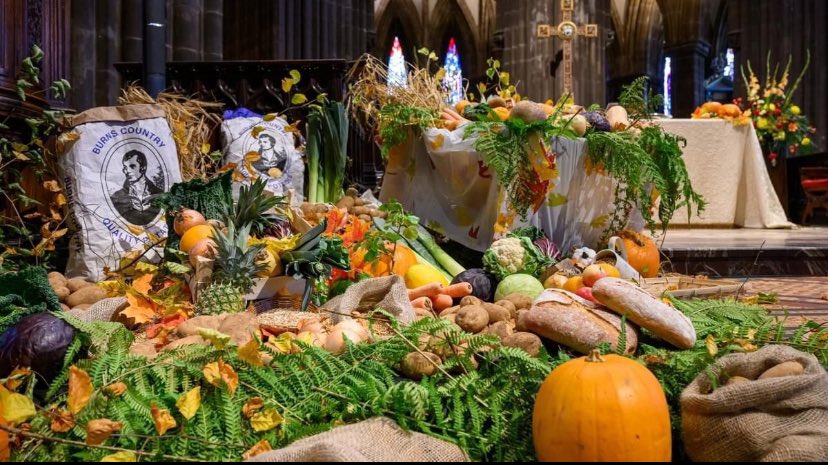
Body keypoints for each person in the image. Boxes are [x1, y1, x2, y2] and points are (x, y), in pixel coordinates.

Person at [110, 149, 163, 226]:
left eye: (132, 166)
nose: (127, 171)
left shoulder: (160, 194)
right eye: (125, 167)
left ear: (143, 167)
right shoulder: (117, 197)